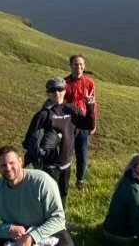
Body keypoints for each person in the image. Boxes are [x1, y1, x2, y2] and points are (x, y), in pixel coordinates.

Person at [0, 146, 74, 246]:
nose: (8, 168)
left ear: (20, 161)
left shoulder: (42, 182)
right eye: (3, 165)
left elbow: (58, 219)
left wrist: (33, 236)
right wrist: (9, 230)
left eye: (11, 163)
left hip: (43, 231)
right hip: (14, 234)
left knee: (66, 243)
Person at [25, 77, 96, 206]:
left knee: (63, 195)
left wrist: (90, 107)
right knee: (48, 199)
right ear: (48, 93)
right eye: (53, 90)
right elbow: (29, 142)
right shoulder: (43, 115)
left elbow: (89, 125)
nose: (57, 93)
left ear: (65, 91)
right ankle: (46, 224)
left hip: (66, 165)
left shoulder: (72, 110)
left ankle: (60, 222)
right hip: (48, 167)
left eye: (60, 89)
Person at [64, 54, 97, 189]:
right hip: (69, 124)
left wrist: (93, 122)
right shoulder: (64, 83)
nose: (79, 67)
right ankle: (64, 179)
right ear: (71, 65)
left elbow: (94, 103)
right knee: (66, 153)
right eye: (76, 64)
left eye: (81, 64)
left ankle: (80, 180)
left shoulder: (89, 83)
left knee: (82, 153)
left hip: (83, 122)